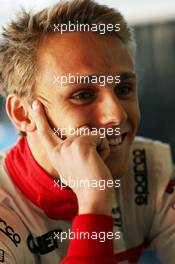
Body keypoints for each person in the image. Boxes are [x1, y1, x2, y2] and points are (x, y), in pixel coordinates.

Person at [0, 0, 174, 263]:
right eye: (82, 95)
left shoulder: (149, 167)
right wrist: (94, 202)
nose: (117, 115)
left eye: (123, 88)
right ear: (23, 114)